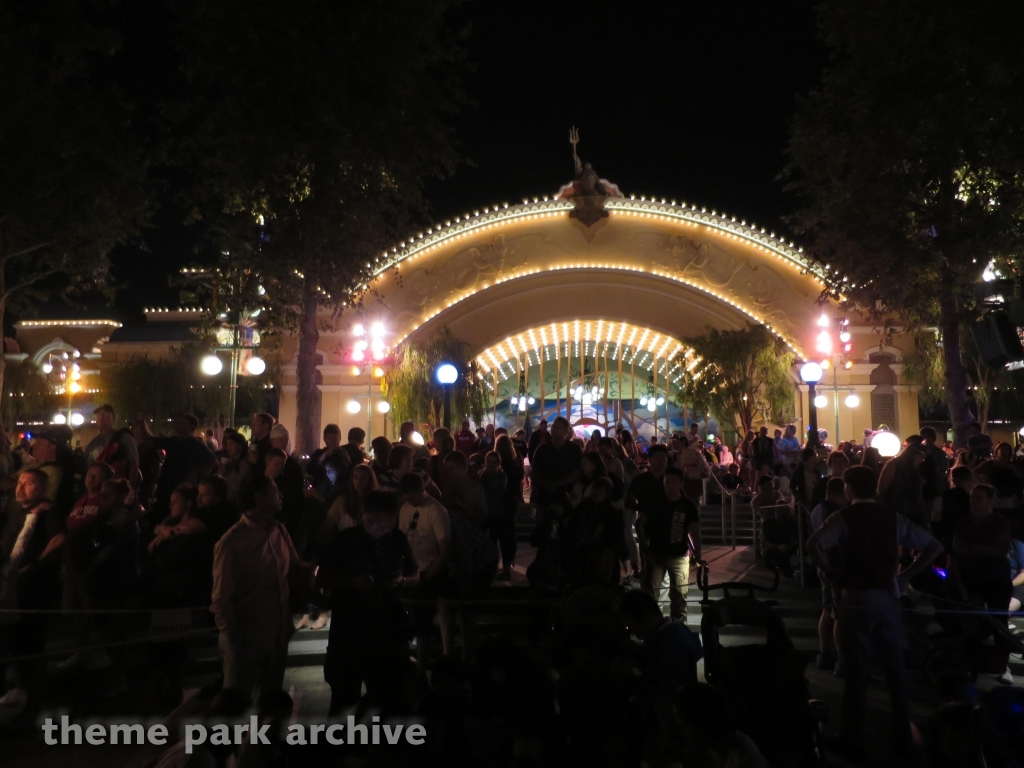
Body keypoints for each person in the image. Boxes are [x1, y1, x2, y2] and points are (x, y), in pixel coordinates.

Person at [807, 465, 943, 758]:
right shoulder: (892, 518)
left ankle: (853, 735)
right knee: (895, 670)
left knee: (856, 672)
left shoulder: (842, 518)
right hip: (887, 596)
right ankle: (903, 734)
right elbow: (932, 546)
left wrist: (830, 570)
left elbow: (814, 543)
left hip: (854, 599)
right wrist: (905, 575)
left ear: (849, 489)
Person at [316, 490, 419, 714]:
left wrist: (401, 579)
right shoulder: (344, 539)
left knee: (386, 698)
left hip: (386, 631)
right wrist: (352, 582)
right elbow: (322, 578)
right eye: (374, 523)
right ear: (364, 515)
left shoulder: (398, 540)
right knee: (344, 699)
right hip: (350, 630)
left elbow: (415, 574)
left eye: (386, 524)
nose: (379, 529)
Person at [211, 475, 301, 703]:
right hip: (247, 639)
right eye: (274, 490)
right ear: (259, 498)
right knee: (234, 708)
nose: (280, 495)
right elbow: (221, 598)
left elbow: (296, 566)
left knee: (269, 707)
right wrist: (234, 640)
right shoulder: (233, 542)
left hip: (277, 635)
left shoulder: (278, 529)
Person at [0, 469, 64, 723]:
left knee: (31, 644)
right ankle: (20, 690)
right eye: (21, 482)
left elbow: (60, 538)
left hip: (33, 591)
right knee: (14, 643)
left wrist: (34, 565)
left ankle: (36, 705)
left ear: (42, 488)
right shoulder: (18, 511)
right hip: (12, 589)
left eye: (30, 484)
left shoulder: (47, 511)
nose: (22, 487)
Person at [953, 484, 1014, 682]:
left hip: (997, 577)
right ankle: (971, 664)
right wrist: (983, 548)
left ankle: (1003, 665)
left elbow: (1000, 549)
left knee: (999, 620)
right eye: (972, 496)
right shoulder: (963, 521)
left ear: (990, 500)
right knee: (972, 622)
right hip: (972, 577)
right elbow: (957, 548)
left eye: (979, 497)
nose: (974, 500)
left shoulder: (999, 521)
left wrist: (973, 547)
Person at [398, 472, 452, 669]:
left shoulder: (437, 511)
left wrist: (428, 576)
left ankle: (421, 667)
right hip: (410, 572)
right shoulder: (405, 508)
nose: (411, 501)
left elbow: (445, 550)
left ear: (422, 490)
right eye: (407, 498)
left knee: (423, 623)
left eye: (413, 497)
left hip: (428, 571)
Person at [641, 467, 701, 619]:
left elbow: (694, 531)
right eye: (667, 482)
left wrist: (697, 554)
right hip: (656, 553)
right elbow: (639, 523)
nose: (670, 486)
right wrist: (645, 550)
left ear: (681, 484)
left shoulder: (688, 505)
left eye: (674, 483)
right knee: (651, 594)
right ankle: (655, 627)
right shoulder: (655, 501)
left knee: (679, 594)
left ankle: (677, 628)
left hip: (679, 554)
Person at [620, 590, 702, 696]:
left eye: (631, 627)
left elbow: (662, 694)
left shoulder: (673, 649)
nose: (633, 634)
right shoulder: (672, 631)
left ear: (647, 618)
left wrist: (627, 676)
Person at [811, 477, 846, 673]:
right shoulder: (833, 512)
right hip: (833, 565)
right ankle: (842, 660)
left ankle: (824, 653)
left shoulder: (817, 509)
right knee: (838, 614)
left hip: (822, 564)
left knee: (827, 610)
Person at [153, 414, 218, 514]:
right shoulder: (174, 441)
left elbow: (214, 462)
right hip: (165, 487)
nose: (177, 424)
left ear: (190, 426)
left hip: (179, 489)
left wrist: (195, 470)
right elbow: (151, 440)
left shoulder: (194, 444)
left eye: (181, 422)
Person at [531, 416, 583, 511]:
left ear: (566, 430)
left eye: (558, 427)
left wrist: (560, 483)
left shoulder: (574, 449)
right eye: (553, 426)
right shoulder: (542, 449)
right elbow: (535, 470)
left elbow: (578, 470)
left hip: (567, 493)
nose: (554, 429)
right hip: (544, 493)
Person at [84, 404, 140, 487]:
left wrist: (129, 488)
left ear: (113, 418)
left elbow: (134, 463)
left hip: (115, 488)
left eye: (106, 414)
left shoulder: (123, 437)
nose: (101, 417)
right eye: (99, 414)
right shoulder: (93, 442)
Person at [877, 440, 928, 526]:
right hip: (895, 511)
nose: (922, 461)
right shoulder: (893, 464)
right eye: (921, 457)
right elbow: (881, 489)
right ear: (913, 454)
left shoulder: (915, 468)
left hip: (912, 512)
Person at [479, 451, 512, 580]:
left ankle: (506, 568)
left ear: (499, 463)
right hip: (489, 513)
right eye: (489, 462)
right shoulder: (484, 476)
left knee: (504, 541)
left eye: (494, 462)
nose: (491, 465)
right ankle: (493, 567)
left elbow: (496, 490)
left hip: (500, 513)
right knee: (491, 542)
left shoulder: (501, 476)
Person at [937, 465, 974, 551]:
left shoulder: (946, 494)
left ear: (953, 480)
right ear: (969, 480)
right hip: (962, 530)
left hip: (948, 528)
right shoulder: (968, 497)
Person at [220, 431, 254, 510]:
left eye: (232, 444)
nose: (228, 447)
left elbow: (237, 484)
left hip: (235, 504)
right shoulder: (228, 461)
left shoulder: (245, 463)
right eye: (227, 444)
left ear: (240, 446)